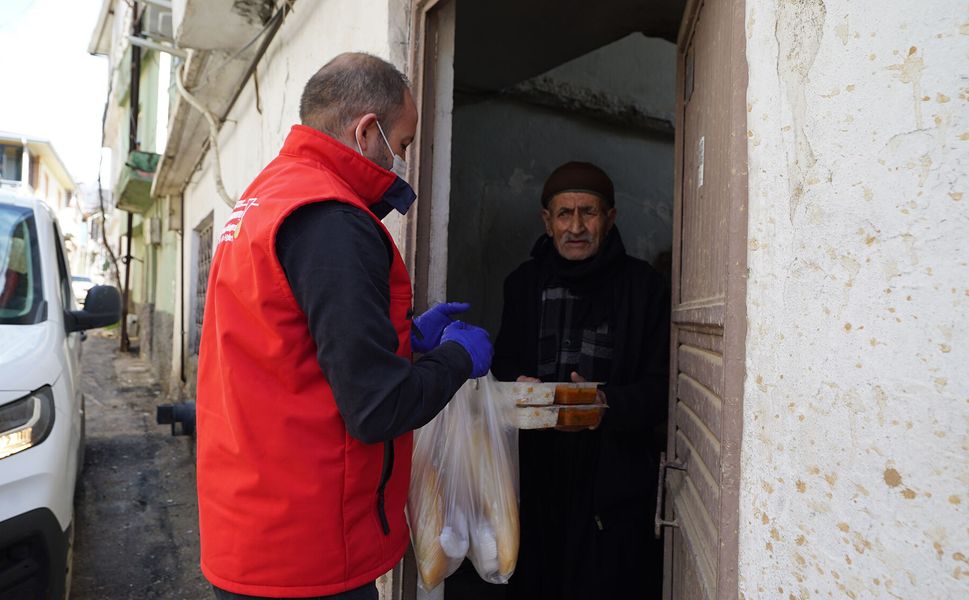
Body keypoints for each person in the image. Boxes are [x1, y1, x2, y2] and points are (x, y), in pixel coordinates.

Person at [196, 53, 493, 600]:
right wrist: (455, 359)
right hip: (307, 551)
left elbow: (289, 338)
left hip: (252, 525)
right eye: (401, 144)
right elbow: (379, 407)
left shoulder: (268, 196)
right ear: (365, 131)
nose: (401, 161)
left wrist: (402, 333)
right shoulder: (332, 219)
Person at [493, 162, 670, 599]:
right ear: (546, 221)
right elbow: (500, 368)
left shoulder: (645, 289)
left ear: (609, 219)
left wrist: (607, 405)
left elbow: (662, 388)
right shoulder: (522, 285)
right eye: (564, 213)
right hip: (537, 476)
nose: (576, 226)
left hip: (614, 483)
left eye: (588, 212)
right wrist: (518, 384)